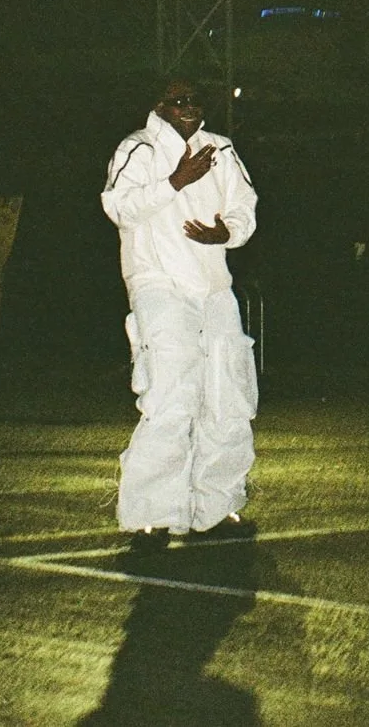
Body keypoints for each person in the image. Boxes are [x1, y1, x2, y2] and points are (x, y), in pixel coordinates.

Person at [100, 78, 261, 550]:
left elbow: (244, 207)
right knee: (170, 396)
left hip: (212, 286)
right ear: (159, 106)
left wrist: (227, 233)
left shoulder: (221, 148)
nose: (189, 108)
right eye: (179, 101)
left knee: (227, 395)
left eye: (195, 101)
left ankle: (218, 505)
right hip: (159, 283)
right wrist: (176, 181)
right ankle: (151, 516)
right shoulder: (138, 148)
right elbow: (119, 207)